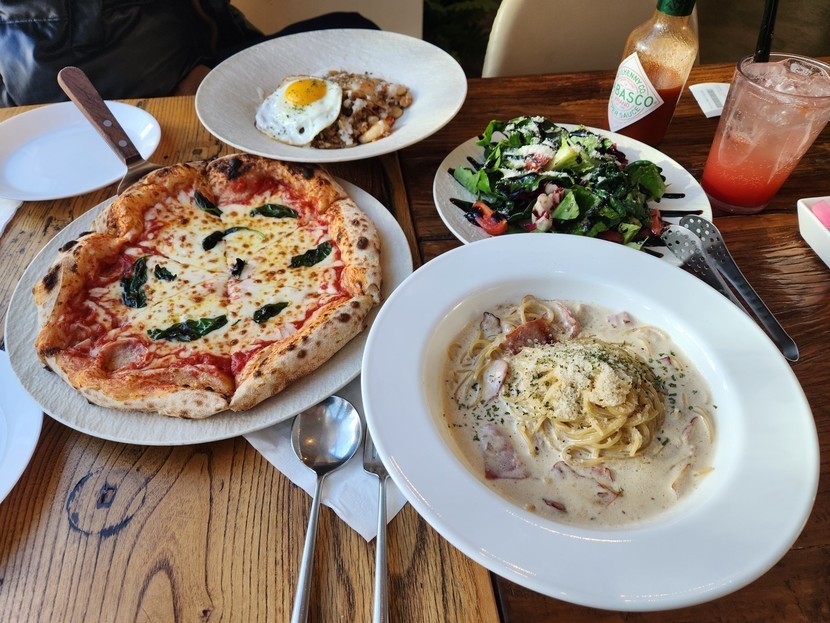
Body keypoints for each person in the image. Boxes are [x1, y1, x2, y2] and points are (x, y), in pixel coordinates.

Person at [0, 1, 377, 107]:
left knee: (354, 28)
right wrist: (183, 82)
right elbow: (42, 62)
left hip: (201, 52)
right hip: (144, 94)